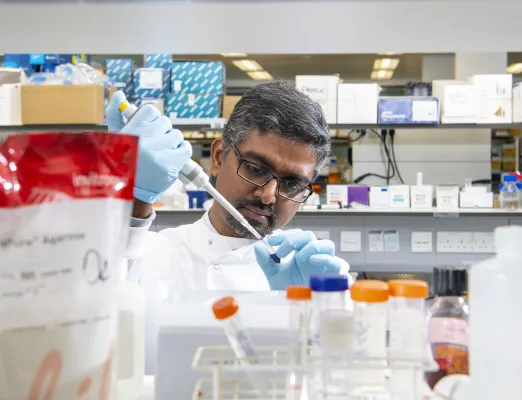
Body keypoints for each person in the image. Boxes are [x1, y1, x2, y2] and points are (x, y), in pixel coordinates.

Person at [106, 81, 353, 370]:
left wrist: (314, 314)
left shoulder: (317, 275)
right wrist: (135, 198)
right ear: (218, 157)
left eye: (291, 183)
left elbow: (344, 380)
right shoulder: (148, 255)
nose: (268, 194)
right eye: (256, 169)